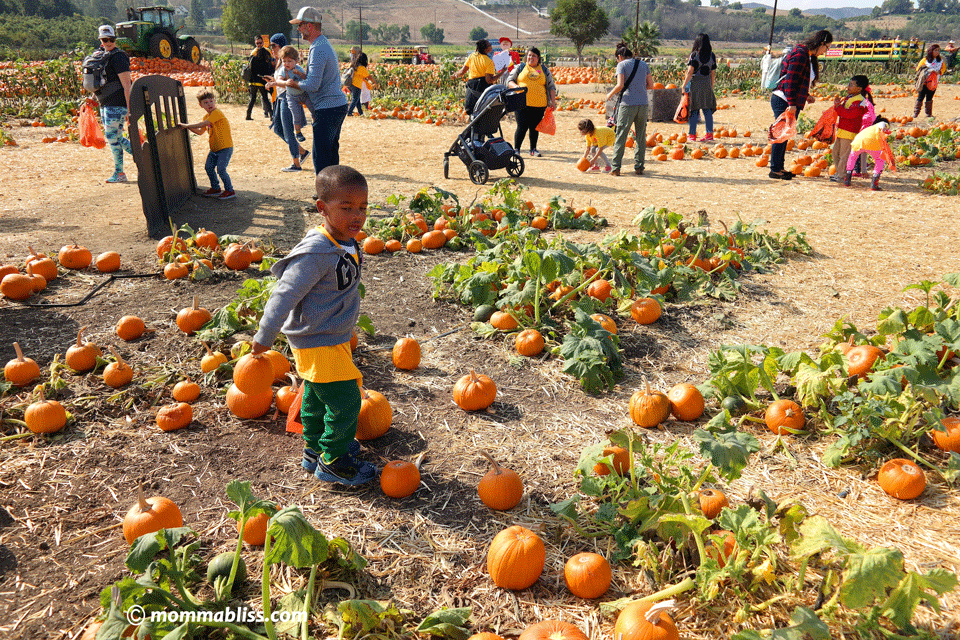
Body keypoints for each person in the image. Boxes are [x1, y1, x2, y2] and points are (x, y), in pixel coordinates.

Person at [251, 165, 376, 486]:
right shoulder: (316, 252)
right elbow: (284, 294)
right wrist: (264, 336)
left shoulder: (342, 240)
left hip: (326, 336)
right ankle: (334, 461)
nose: (357, 215)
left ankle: (313, 449)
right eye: (346, 208)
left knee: (317, 397)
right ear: (322, 208)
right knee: (346, 401)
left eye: (362, 207)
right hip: (317, 340)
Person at [272, 7, 348, 177]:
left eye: (300, 25)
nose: (298, 29)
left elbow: (313, 85)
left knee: (321, 156)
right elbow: (317, 82)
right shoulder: (322, 45)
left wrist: (294, 84)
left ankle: (323, 195)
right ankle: (331, 193)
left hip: (327, 108)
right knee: (330, 153)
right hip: (336, 106)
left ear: (309, 27)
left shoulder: (318, 49)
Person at [769, 29, 833, 181]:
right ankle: (774, 169)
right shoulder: (800, 55)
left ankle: (779, 167)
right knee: (781, 135)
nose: (826, 51)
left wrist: (806, 95)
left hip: (790, 100)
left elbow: (798, 80)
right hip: (784, 100)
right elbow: (790, 80)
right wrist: (792, 103)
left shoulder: (807, 55)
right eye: (827, 47)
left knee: (785, 136)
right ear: (821, 43)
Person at [605, 43, 653, 176]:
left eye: (617, 59)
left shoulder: (621, 65)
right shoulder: (644, 65)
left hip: (627, 104)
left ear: (620, 56)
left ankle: (615, 168)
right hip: (643, 104)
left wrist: (610, 94)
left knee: (621, 135)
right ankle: (639, 167)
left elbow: (620, 85)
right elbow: (651, 85)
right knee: (641, 136)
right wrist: (639, 89)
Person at [93, 25, 133, 183]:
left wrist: (130, 110)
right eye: (105, 40)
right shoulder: (102, 56)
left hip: (117, 104)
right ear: (100, 41)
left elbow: (127, 85)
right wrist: (94, 99)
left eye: (111, 39)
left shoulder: (119, 57)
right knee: (115, 137)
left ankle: (120, 172)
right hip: (105, 104)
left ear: (115, 39)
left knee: (112, 137)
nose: (108, 42)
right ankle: (144, 157)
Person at [179, 90, 235, 200]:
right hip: (214, 149)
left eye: (211, 101)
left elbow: (204, 124)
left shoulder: (217, 113)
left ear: (215, 101)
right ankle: (215, 188)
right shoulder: (206, 117)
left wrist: (186, 125)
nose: (209, 104)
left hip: (225, 147)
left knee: (221, 169)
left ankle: (230, 190)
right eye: (206, 102)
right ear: (201, 105)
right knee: (208, 167)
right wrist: (187, 127)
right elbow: (200, 131)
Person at [268, 37, 310, 172]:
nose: (271, 49)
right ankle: (302, 152)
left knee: (288, 131)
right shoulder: (281, 63)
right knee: (278, 129)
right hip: (280, 97)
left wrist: (280, 83)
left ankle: (296, 164)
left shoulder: (289, 64)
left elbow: (294, 82)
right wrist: (274, 81)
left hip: (287, 98)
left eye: (273, 45)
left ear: (280, 46)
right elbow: (282, 80)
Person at [507, 47, 557, 156]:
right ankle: (516, 149)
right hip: (521, 103)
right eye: (529, 55)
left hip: (539, 105)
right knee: (521, 127)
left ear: (538, 58)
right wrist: (517, 87)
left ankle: (533, 149)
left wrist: (553, 102)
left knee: (535, 127)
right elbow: (509, 81)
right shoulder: (520, 67)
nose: (531, 57)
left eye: (534, 56)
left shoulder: (544, 70)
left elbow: (551, 87)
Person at [830, 75, 874, 183]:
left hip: (850, 132)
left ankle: (842, 175)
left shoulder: (860, 102)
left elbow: (849, 115)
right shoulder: (849, 98)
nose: (848, 86)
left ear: (859, 89)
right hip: (842, 131)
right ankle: (839, 172)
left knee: (844, 156)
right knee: (835, 153)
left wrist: (838, 107)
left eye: (851, 85)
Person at [452, 39, 506, 115]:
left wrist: (454, 75)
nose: (491, 46)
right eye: (490, 45)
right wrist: (501, 73)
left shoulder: (472, 56)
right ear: (486, 49)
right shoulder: (488, 62)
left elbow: (461, 72)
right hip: (483, 89)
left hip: (471, 88)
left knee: (471, 112)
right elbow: (489, 80)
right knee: (484, 113)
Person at [679, 33, 717, 142]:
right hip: (706, 83)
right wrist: (711, 85)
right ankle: (709, 134)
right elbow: (713, 73)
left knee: (694, 110)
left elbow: (690, 72)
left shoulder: (694, 55)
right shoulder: (712, 55)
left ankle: (692, 135)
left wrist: (684, 85)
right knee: (707, 110)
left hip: (695, 83)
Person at [844, 117, 892, 191]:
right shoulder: (881, 124)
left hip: (858, 141)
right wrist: (883, 127)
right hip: (872, 143)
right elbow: (882, 124)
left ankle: (847, 180)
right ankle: (874, 184)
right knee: (880, 160)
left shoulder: (869, 129)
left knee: (852, 158)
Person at [277, 46, 310, 143]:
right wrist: (285, 82)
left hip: (303, 94)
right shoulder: (283, 70)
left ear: (296, 61)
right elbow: (278, 80)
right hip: (292, 97)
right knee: (296, 115)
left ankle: (315, 121)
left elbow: (306, 79)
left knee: (312, 107)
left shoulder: (299, 68)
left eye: (289, 61)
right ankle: (298, 132)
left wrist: (299, 73)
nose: (286, 63)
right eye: (284, 61)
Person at [246, 35, 274, 121]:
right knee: (265, 98)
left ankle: (248, 115)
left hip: (252, 80)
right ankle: (271, 115)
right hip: (261, 80)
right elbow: (271, 64)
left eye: (260, 43)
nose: (259, 44)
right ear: (255, 43)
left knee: (253, 99)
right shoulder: (265, 52)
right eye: (257, 43)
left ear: (263, 42)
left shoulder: (253, 54)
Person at [914, 44, 943, 119]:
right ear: (931, 51)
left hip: (933, 82)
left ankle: (928, 114)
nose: (937, 52)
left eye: (938, 50)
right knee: (920, 97)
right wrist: (928, 70)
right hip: (924, 81)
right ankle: (916, 113)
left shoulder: (940, 61)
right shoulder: (925, 60)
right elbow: (918, 68)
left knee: (929, 98)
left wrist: (939, 72)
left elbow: (943, 69)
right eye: (935, 50)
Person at [347, 53, 377, 117]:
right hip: (356, 85)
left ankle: (361, 113)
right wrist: (374, 81)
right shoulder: (361, 68)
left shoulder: (353, 65)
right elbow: (368, 77)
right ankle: (349, 112)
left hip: (350, 84)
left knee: (357, 100)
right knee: (355, 99)